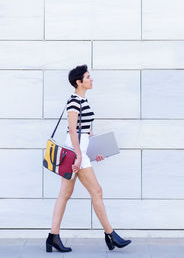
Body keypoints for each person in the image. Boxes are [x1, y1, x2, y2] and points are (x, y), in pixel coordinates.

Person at [46, 64, 132, 253]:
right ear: (79, 82)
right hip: (76, 153)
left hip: (80, 152)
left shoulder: (83, 101)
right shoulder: (74, 102)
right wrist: (78, 156)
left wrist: (94, 151)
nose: (91, 79)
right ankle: (111, 235)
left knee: (64, 195)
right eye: (87, 77)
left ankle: (53, 236)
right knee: (97, 191)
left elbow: (83, 132)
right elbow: (72, 131)